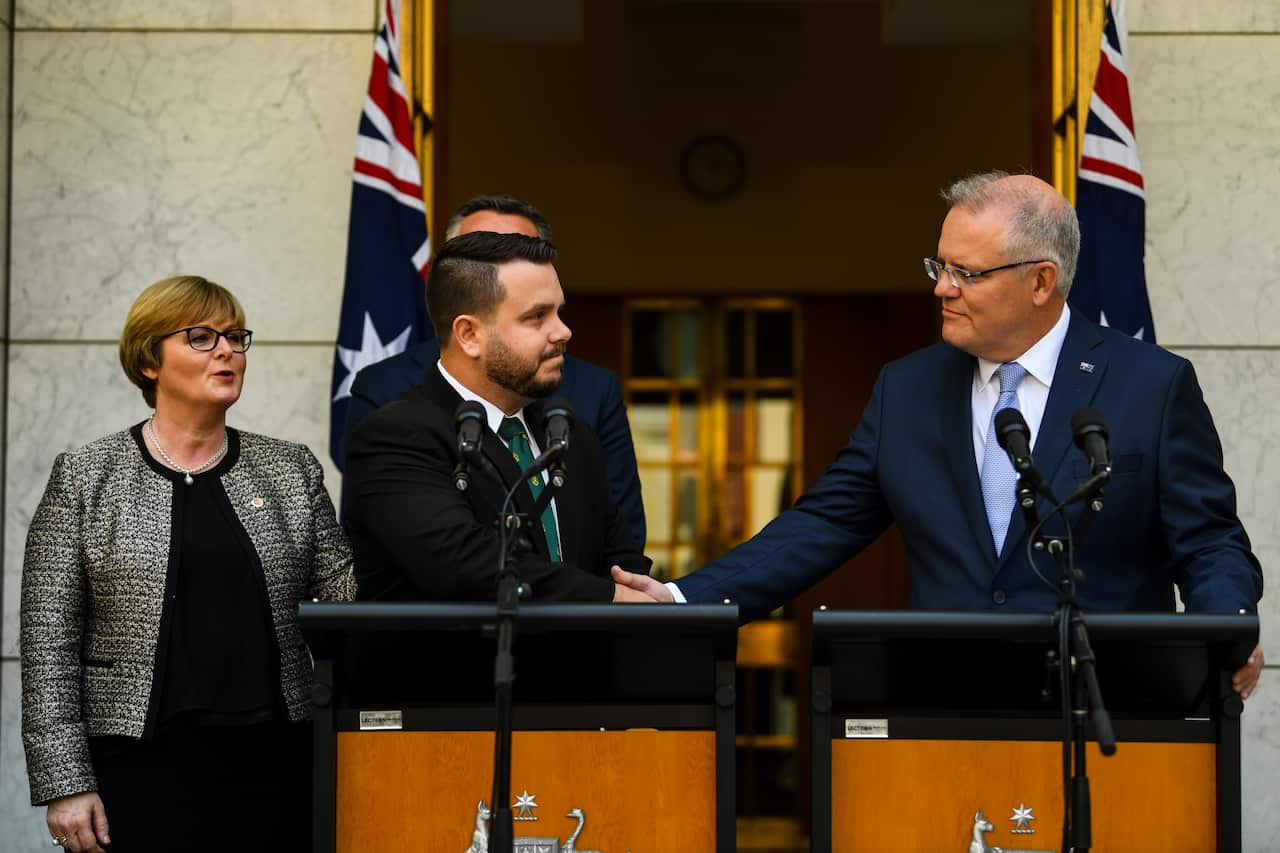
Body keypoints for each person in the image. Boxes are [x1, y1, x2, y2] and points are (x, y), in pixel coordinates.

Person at [613, 171, 1265, 698]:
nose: (941, 288)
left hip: (1106, 706)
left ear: (1041, 280)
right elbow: (822, 524)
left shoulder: (1150, 384)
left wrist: (1227, 629)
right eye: (939, 264)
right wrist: (680, 598)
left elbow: (1208, 541)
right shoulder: (908, 388)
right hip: (948, 710)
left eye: (967, 273)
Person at [20, 276, 356, 853]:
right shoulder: (86, 476)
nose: (227, 350)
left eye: (234, 337)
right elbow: (48, 642)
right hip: (135, 766)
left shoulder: (291, 470)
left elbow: (343, 608)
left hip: (275, 760)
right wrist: (65, 782)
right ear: (150, 360)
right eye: (201, 337)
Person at [344, 231, 651, 602]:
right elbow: (464, 564)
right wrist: (609, 597)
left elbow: (620, 557)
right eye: (537, 317)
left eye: (559, 312)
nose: (564, 331)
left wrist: (637, 594)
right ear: (469, 334)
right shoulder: (393, 436)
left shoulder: (569, 431)